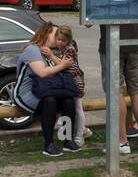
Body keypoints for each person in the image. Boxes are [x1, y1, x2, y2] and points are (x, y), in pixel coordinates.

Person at [19, 22, 81, 157]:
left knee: (68, 100)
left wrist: (59, 62)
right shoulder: (32, 49)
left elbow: (65, 69)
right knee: (50, 101)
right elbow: (42, 73)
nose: (58, 37)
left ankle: (67, 139)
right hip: (27, 94)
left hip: (46, 90)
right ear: (46, 34)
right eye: (55, 34)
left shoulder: (53, 52)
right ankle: (48, 144)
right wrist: (62, 65)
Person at [98, 22, 138, 153]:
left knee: (115, 91)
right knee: (137, 91)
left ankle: (122, 141)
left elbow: (88, 20)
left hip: (111, 43)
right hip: (134, 43)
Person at [56, 24, 92, 147]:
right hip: (66, 81)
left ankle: (79, 136)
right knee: (69, 107)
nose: (60, 42)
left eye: (63, 40)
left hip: (75, 81)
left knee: (77, 107)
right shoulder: (61, 49)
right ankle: (82, 130)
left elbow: (63, 64)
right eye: (58, 39)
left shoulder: (70, 49)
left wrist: (50, 56)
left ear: (68, 40)